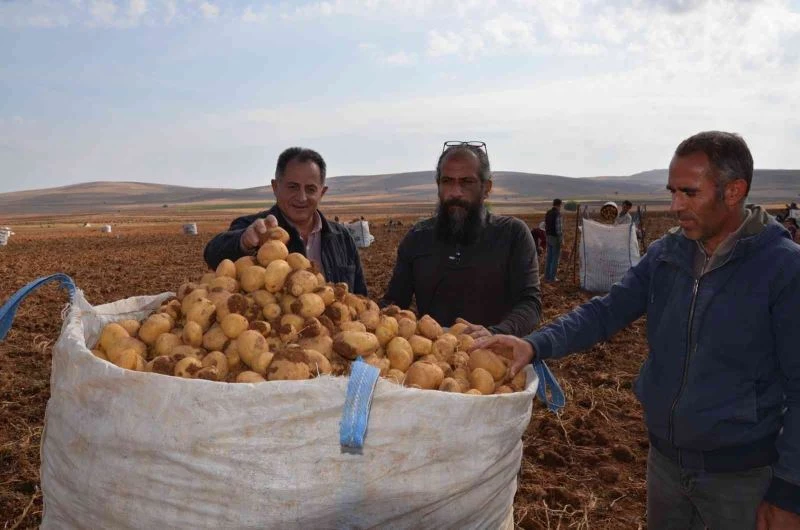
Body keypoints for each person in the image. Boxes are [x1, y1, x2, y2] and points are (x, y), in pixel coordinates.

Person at [473, 131, 800, 530]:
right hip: (664, 467)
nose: (675, 205)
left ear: (734, 192)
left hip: (741, 479)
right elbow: (606, 311)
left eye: (688, 192)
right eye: (672, 191)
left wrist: (788, 491)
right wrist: (534, 344)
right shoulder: (667, 254)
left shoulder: (783, 269)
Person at [380, 141, 541, 338]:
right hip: (434, 360)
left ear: (486, 187)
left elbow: (530, 304)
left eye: (467, 182)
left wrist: (495, 334)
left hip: (495, 357)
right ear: (438, 185)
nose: (455, 192)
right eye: (447, 181)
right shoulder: (417, 238)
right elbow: (395, 301)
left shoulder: (512, 234)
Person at [204, 147, 367, 295]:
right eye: (293, 187)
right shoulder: (254, 227)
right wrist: (243, 242)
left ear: (322, 193)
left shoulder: (342, 238)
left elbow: (360, 297)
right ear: (275, 187)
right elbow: (212, 254)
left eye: (310, 189)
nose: (302, 198)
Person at [544, 199, 563, 281]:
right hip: (555, 238)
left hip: (548, 236)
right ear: (559, 205)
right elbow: (559, 229)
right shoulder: (558, 214)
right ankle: (552, 277)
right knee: (555, 258)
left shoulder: (548, 213)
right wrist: (561, 240)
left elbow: (545, 225)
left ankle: (547, 276)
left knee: (549, 257)